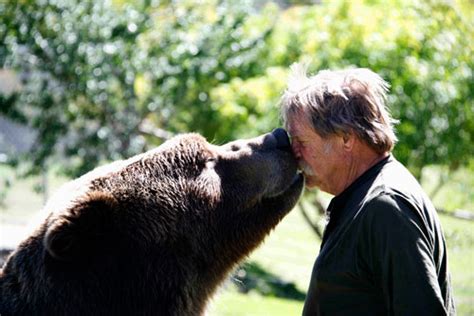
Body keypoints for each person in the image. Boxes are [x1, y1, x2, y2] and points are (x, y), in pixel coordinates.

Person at [280, 63, 455, 315]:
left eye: (301, 141)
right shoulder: (366, 198)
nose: (294, 152)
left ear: (346, 138)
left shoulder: (386, 207)